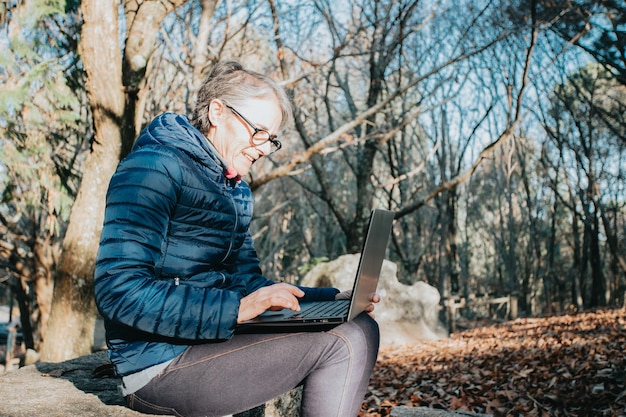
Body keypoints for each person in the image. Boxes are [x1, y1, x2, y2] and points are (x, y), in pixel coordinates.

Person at [94, 61, 381, 417]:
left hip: (212, 342)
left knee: (359, 324)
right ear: (217, 111)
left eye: (271, 139)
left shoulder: (236, 190)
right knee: (346, 341)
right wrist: (237, 310)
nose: (263, 148)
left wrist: (332, 298)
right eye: (258, 131)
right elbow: (118, 289)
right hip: (156, 365)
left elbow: (247, 281)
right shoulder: (153, 168)